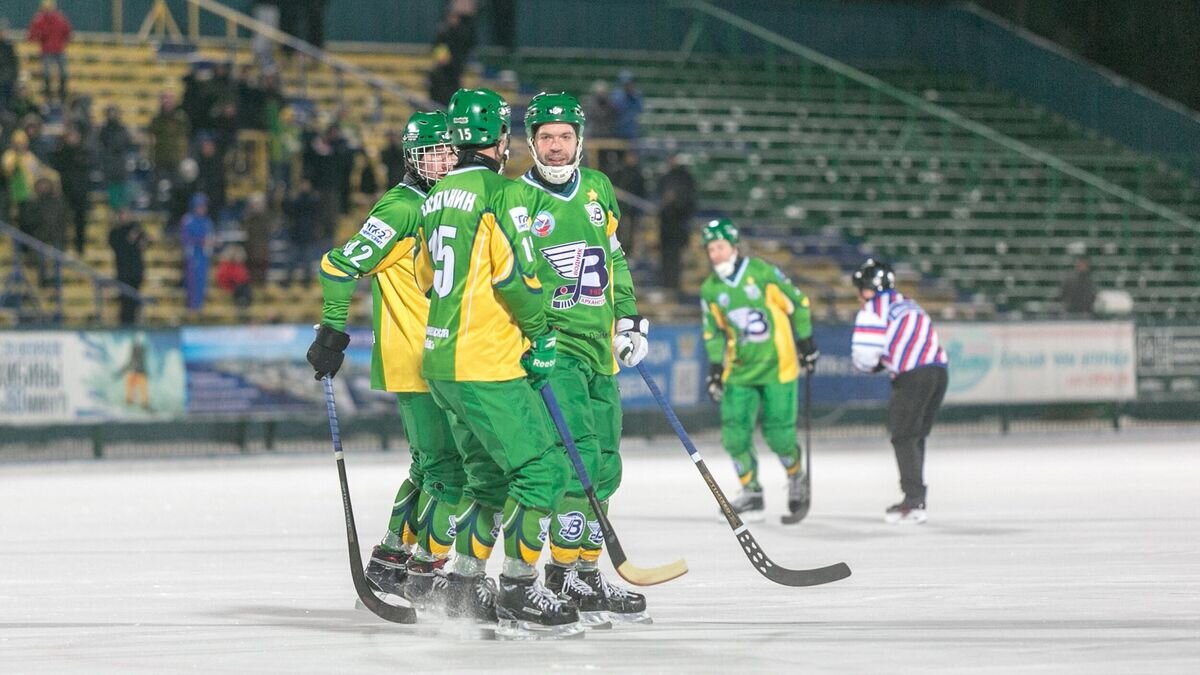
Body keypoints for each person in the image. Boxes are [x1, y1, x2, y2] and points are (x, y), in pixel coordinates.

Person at [416, 87, 580, 638]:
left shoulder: (437, 195)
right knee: (542, 471)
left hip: (440, 361)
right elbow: (517, 277)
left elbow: (423, 277)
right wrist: (542, 336)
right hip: (485, 361)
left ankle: (464, 585)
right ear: (502, 139)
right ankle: (518, 588)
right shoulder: (502, 193)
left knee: (486, 476)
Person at [307, 109, 464, 604]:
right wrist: (332, 331)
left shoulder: (448, 202)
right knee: (452, 470)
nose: (443, 160)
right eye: (432, 153)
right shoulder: (401, 208)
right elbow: (338, 266)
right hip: (417, 358)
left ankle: (391, 561)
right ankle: (424, 573)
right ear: (412, 159)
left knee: (430, 467)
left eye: (449, 151)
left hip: (440, 355)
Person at [512, 91, 651, 625]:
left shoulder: (598, 188)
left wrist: (628, 317)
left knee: (607, 463)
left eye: (564, 136)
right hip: (556, 349)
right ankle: (561, 571)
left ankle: (588, 572)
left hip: (600, 348)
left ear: (579, 139)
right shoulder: (517, 199)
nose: (555, 145)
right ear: (531, 143)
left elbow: (615, 259)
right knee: (579, 458)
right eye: (546, 137)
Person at [700, 218, 819, 520]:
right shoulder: (711, 289)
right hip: (739, 372)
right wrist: (715, 367)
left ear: (734, 246)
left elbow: (798, 303)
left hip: (778, 367)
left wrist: (806, 342)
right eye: (710, 249)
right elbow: (713, 332)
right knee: (734, 435)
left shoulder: (762, 273)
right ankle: (751, 491)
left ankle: (796, 475)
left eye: (720, 247)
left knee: (779, 435)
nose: (715, 254)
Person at [850, 258, 948, 525]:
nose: (859, 296)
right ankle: (916, 496)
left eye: (861, 289)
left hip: (912, 374)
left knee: (903, 435)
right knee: (916, 436)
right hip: (939, 372)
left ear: (869, 288)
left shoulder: (873, 309)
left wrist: (874, 365)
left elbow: (864, 357)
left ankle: (913, 501)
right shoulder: (909, 303)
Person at [49, 125, 93, 255]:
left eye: (75, 136)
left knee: (80, 220)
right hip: (65, 191)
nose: (73, 138)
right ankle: (62, 246)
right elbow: (55, 164)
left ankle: (80, 247)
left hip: (80, 192)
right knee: (61, 220)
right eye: (70, 136)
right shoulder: (62, 151)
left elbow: (88, 165)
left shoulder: (84, 151)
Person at [656, 153, 696, 294]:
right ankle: (670, 284)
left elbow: (688, 201)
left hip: (675, 223)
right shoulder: (684, 178)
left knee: (672, 257)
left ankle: (671, 285)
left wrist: (673, 205)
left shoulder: (679, 179)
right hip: (673, 223)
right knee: (671, 257)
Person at [23, 176, 67, 286]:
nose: (43, 187)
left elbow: (64, 218)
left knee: (57, 260)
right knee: (40, 260)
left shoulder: (58, 201)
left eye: (45, 184)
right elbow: (28, 221)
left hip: (56, 235)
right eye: (41, 185)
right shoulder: (32, 203)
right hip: (39, 235)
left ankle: (57, 282)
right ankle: (42, 282)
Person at [108, 209, 149, 325]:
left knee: (135, 300)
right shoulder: (115, 232)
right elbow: (118, 247)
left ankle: (134, 323)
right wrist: (130, 239)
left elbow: (146, 242)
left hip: (136, 271)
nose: (124, 217)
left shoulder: (136, 228)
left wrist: (142, 242)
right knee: (125, 301)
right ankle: (125, 324)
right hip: (123, 272)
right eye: (122, 214)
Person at [27, 0, 71, 101]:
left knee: (63, 73)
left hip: (58, 50)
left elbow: (68, 32)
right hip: (47, 51)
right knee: (46, 73)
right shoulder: (39, 19)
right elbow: (32, 34)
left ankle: (62, 93)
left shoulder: (60, 18)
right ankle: (48, 93)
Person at [181, 193, 214, 313]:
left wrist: (213, 242)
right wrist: (200, 241)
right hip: (193, 255)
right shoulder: (187, 220)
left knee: (202, 280)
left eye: (204, 206)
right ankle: (192, 306)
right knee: (192, 280)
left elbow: (210, 237)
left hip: (204, 255)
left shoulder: (207, 222)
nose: (202, 209)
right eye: (200, 206)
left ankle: (199, 306)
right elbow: (185, 239)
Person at [97, 105, 133, 209]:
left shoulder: (122, 129)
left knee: (121, 189)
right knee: (112, 190)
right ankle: (115, 209)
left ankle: (121, 210)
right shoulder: (104, 131)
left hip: (119, 164)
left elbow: (126, 143)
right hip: (109, 164)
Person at [609, 70, 642, 140]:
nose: (628, 86)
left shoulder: (636, 95)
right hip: (617, 129)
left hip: (631, 130)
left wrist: (633, 96)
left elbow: (640, 109)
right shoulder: (616, 95)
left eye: (630, 83)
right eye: (626, 84)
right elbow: (614, 110)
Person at [0, 19, 18, 113]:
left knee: (9, 100)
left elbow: (14, 63)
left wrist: (13, 76)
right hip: (3, 78)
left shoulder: (9, 46)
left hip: (8, 78)